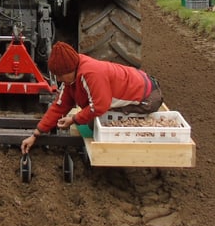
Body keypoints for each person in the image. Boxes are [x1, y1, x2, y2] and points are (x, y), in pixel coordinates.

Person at [20, 41, 163, 154]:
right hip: (140, 82)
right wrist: (36, 133)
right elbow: (60, 105)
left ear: (70, 70)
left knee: (93, 123)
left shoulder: (91, 74)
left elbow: (100, 106)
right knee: (90, 119)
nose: (58, 79)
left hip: (148, 97)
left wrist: (74, 119)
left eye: (60, 76)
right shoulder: (71, 77)